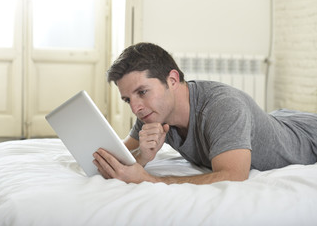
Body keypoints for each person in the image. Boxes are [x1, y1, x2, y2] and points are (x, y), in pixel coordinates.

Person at [93, 42, 317, 185]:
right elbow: (120, 154)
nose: (135, 108)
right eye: (127, 99)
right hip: (280, 119)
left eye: (142, 92)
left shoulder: (223, 106)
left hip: (308, 136)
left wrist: (150, 179)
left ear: (172, 80)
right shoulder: (151, 113)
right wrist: (143, 157)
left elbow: (233, 175)